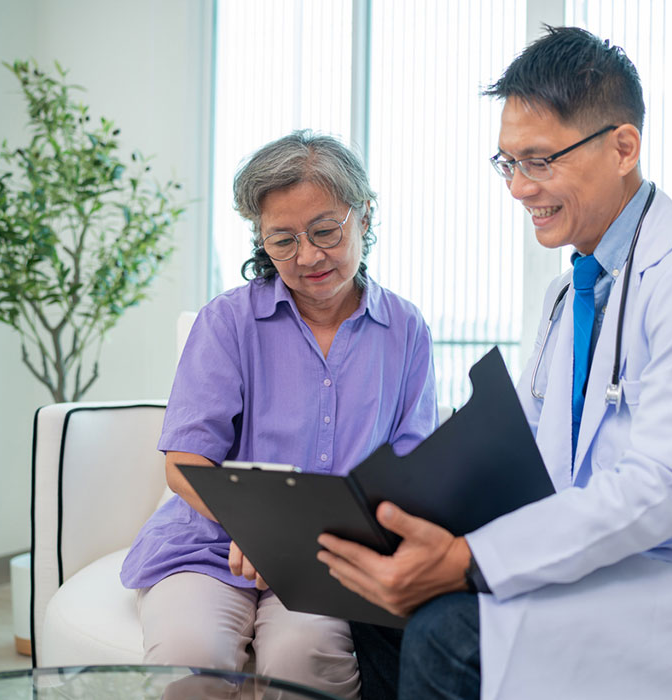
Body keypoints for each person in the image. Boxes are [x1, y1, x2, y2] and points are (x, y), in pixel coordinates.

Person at [316, 27, 672, 700]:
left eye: (540, 161)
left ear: (623, 147)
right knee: (378, 610)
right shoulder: (569, 294)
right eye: (507, 163)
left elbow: (661, 488)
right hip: (620, 566)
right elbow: (528, 463)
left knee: (451, 634)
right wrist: (403, 526)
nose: (518, 188)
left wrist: (468, 561)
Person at [120, 130, 439, 699]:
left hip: (328, 556)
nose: (308, 256)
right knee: (191, 656)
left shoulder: (406, 330)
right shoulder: (228, 322)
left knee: (305, 656)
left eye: (325, 231)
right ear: (260, 240)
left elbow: (410, 469)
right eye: (282, 240)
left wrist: (305, 544)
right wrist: (262, 532)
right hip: (210, 544)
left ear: (364, 216)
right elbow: (185, 462)